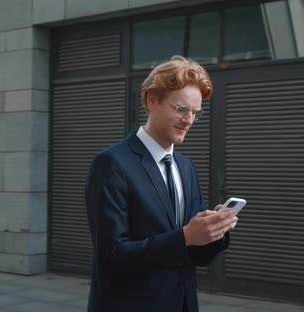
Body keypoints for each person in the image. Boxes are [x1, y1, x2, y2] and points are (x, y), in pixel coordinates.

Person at [85, 55, 238, 312]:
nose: (189, 120)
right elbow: (111, 257)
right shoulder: (111, 164)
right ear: (152, 100)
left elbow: (195, 254)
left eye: (194, 113)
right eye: (180, 109)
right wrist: (186, 236)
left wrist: (214, 233)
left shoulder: (186, 168)